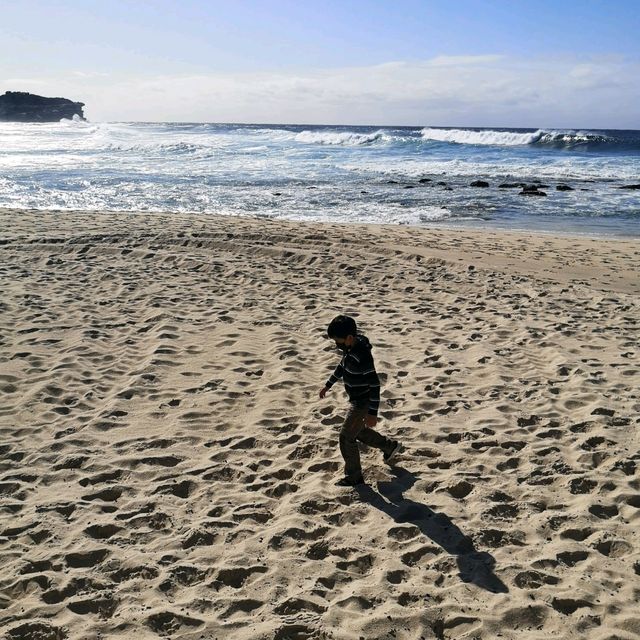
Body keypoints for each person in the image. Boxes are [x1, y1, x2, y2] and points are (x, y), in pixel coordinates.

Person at [319, 315, 401, 486]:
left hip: (362, 402)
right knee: (358, 432)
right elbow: (341, 368)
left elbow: (375, 386)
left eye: (338, 341)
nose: (337, 345)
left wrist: (372, 413)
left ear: (349, 338)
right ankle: (389, 447)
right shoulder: (349, 350)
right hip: (355, 400)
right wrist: (328, 385)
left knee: (346, 437)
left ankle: (354, 476)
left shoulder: (362, 357)